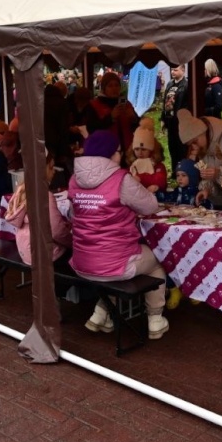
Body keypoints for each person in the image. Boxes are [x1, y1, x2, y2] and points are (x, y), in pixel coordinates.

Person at [67, 131, 168, 340]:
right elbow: (150, 206)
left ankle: (101, 312)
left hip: (82, 262)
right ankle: (155, 319)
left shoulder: (74, 179)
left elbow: (72, 214)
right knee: (157, 260)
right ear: (112, 153)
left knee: (112, 264)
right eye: (119, 151)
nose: (121, 156)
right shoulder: (121, 180)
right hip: (116, 263)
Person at [4, 152, 72, 265]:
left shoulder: (20, 190)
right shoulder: (45, 195)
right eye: (51, 167)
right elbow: (56, 231)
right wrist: (73, 242)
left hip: (26, 250)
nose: (54, 171)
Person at [81, 71, 138, 158]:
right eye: (110, 86)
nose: (114, 88)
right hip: (106, 153)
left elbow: (138, 127)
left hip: (128, 151)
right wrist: (110, 118)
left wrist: (134, 118)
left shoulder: (126, 104)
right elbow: (92, 129)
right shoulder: (94, 105)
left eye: (116, 85)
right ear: (104, 88)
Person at [160, 63, 189, 172]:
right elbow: (165, 102)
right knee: (172, 146)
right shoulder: (169, 84)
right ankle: (174, 170)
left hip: (180, 122)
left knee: (181, 146)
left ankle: (183, 169)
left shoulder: (186, 85)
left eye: (175, 70)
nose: (172, 72)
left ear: (183, 71)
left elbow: (186, 104)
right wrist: (163, 118)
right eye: (172, 70)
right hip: (170, 120)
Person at [127, 124, 167, 195]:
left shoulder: (158, 165)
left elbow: (161, 180)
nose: (140, 152)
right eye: (137, 149)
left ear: (151, 150)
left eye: (143, 149)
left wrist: (141, 177)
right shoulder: (133, 166)